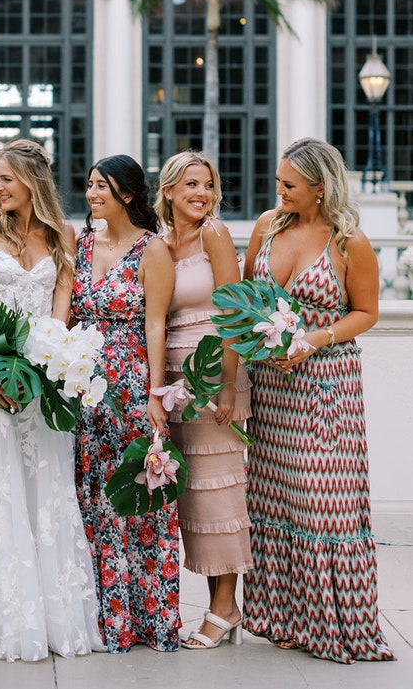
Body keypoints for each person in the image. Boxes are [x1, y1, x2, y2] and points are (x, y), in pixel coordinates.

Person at [242, 137, 394, 663]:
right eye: (279, 181)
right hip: (270, 390)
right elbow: (245, 302)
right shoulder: (266, 227)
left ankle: (334, 623)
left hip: (325, 387)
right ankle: (282, 618)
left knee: (324, 503)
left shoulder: (350, 242)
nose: (279, 191)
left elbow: (366, 312)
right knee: (274, 498)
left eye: (289, 184)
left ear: (320, 187)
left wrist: (312, 340)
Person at [0, 138, 103, 661]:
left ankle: (57, 615)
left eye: (5, 179)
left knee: (48, 486)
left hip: (42, 383)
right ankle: (11, 615)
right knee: (1, 490)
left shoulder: (64, 233)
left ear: (31, 181)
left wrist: (46, 367)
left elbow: (61, 308)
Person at [72, 154, 180, 653]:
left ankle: (149, 619)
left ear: (128, 195)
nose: (92, 194)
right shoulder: (81, 243)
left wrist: (157, 394)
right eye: (90, 185)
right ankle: (105, 618)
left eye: (102, 187)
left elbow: (155, 323)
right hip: (81, 386)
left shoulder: (152, 249)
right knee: (91, 493)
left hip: (131, 381)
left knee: (135, 494)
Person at [155, 151, 252, 650]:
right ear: (168, 190)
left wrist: (229, 386)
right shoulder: (161, 244)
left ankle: (224, 607)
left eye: (208, 185)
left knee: (219, 493)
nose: (202, 194)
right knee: (193, 498)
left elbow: (233, 312)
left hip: (214, 377)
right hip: (174, 384)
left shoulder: (214, 232)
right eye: (191, 184)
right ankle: (220, 603)